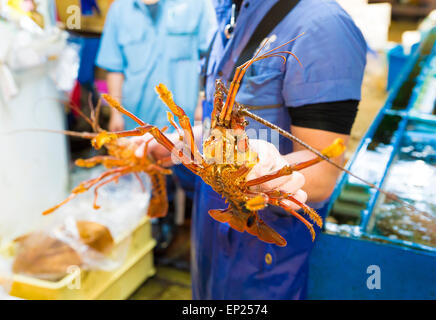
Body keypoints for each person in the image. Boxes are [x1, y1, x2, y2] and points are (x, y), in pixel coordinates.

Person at [135, 0, 367, 299]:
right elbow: (212, 122)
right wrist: (182, 143)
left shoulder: (324, 26)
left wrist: (268, 168)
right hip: (210, 229)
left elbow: (323, 173)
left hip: (263, 243)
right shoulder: (227, 13)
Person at [96, 0, 217, 131]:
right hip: (136, 125)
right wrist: (115, 113)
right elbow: (115, 67)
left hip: (186, 125)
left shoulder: (198, 4)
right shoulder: (119, 9)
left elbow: (211, 58)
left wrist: (202, 103)